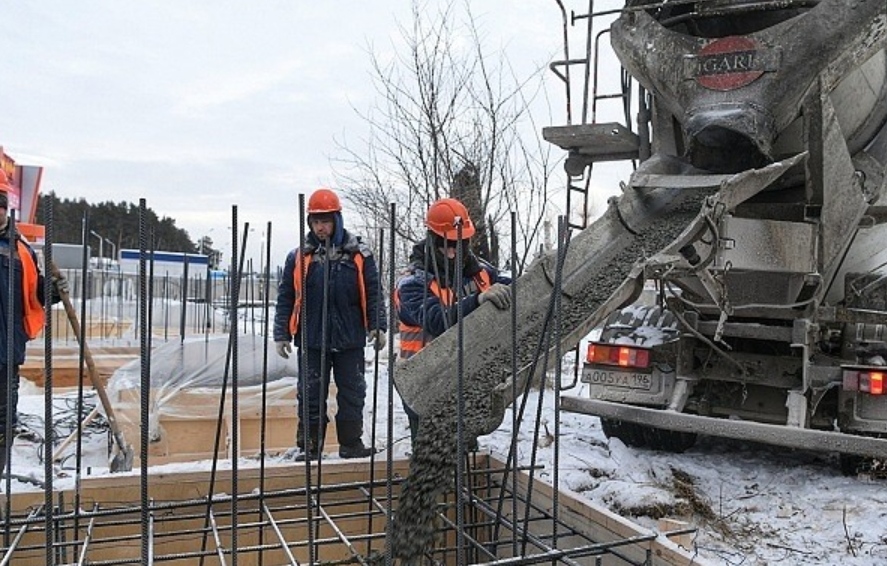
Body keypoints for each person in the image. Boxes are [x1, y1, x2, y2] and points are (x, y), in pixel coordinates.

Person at [273, 187, 387, 461]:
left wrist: (378, 325)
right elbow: (286, 296)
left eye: (325, 221)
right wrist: (282, 333)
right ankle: (310, 447)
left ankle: (351, 444)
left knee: (352, 393)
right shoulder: (299, 257)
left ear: (337, 219)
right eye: (315, 221)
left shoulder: (360, 255)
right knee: (310, 395)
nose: (320, 227)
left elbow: (373, 292)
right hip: (312, 339)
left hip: (350, 339)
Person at [394, 197, 511, 443]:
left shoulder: (482, 273)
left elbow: (512, 288)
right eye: (445, 245)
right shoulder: (412, 283)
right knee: (431, 454)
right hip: (422, 380)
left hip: (466, 377)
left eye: (458, 245)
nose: (452, 252)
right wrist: (478, 300)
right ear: (432, 240)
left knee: (464, 452)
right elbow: (439, 321)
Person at [0, 170, 65, 476]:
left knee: (3, 422)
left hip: (6, 353)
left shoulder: (21, 251)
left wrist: (52, 290)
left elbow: (34, 296)